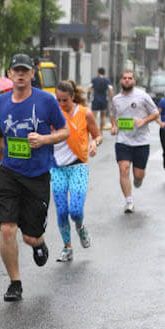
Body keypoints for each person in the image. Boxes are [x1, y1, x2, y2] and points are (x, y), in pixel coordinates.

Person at [0, 53, 69, 302]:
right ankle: (15, 283)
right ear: (9, 74)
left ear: (32, 74)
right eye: (16, 70)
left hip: (37, 174)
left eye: (25, 71)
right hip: (9, 172)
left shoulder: (46, 101)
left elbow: (64, 130)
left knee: (29, 236)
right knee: (7, 228)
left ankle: (38, 243)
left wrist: (44, 139)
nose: (20, 74)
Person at [50, 79, 101, 262]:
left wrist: (94, 143)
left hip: (78, 166)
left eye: (65, 100)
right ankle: (67, 247)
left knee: (76, 210)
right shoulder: (53, 114)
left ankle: (80, 228)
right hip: (57, 169)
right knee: (62, 211)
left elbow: (97, 135)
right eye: (59, 100)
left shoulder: (85, 114)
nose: (61, 104)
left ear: (73, 96)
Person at [109, 70, 160, 213]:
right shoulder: (116, 99)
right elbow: (112, 114)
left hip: (141, 141)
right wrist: (114, 126)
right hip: (123, 140)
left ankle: (139, 179)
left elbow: (155, 113)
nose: (127, 80)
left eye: (129, 78)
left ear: (134, 81)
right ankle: (129, 201)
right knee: (123, 168)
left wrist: (143, 120)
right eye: (124, 78)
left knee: (138, 175)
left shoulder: (142, 96)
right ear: (121, 80)